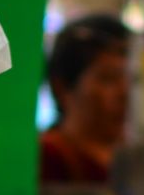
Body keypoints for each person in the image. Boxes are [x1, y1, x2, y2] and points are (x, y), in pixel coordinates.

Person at [39, 14, 131, 185]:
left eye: (135, 79)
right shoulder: (47, 160)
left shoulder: (139, 162)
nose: (125, 93)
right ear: (62, 88)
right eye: (109, 79)